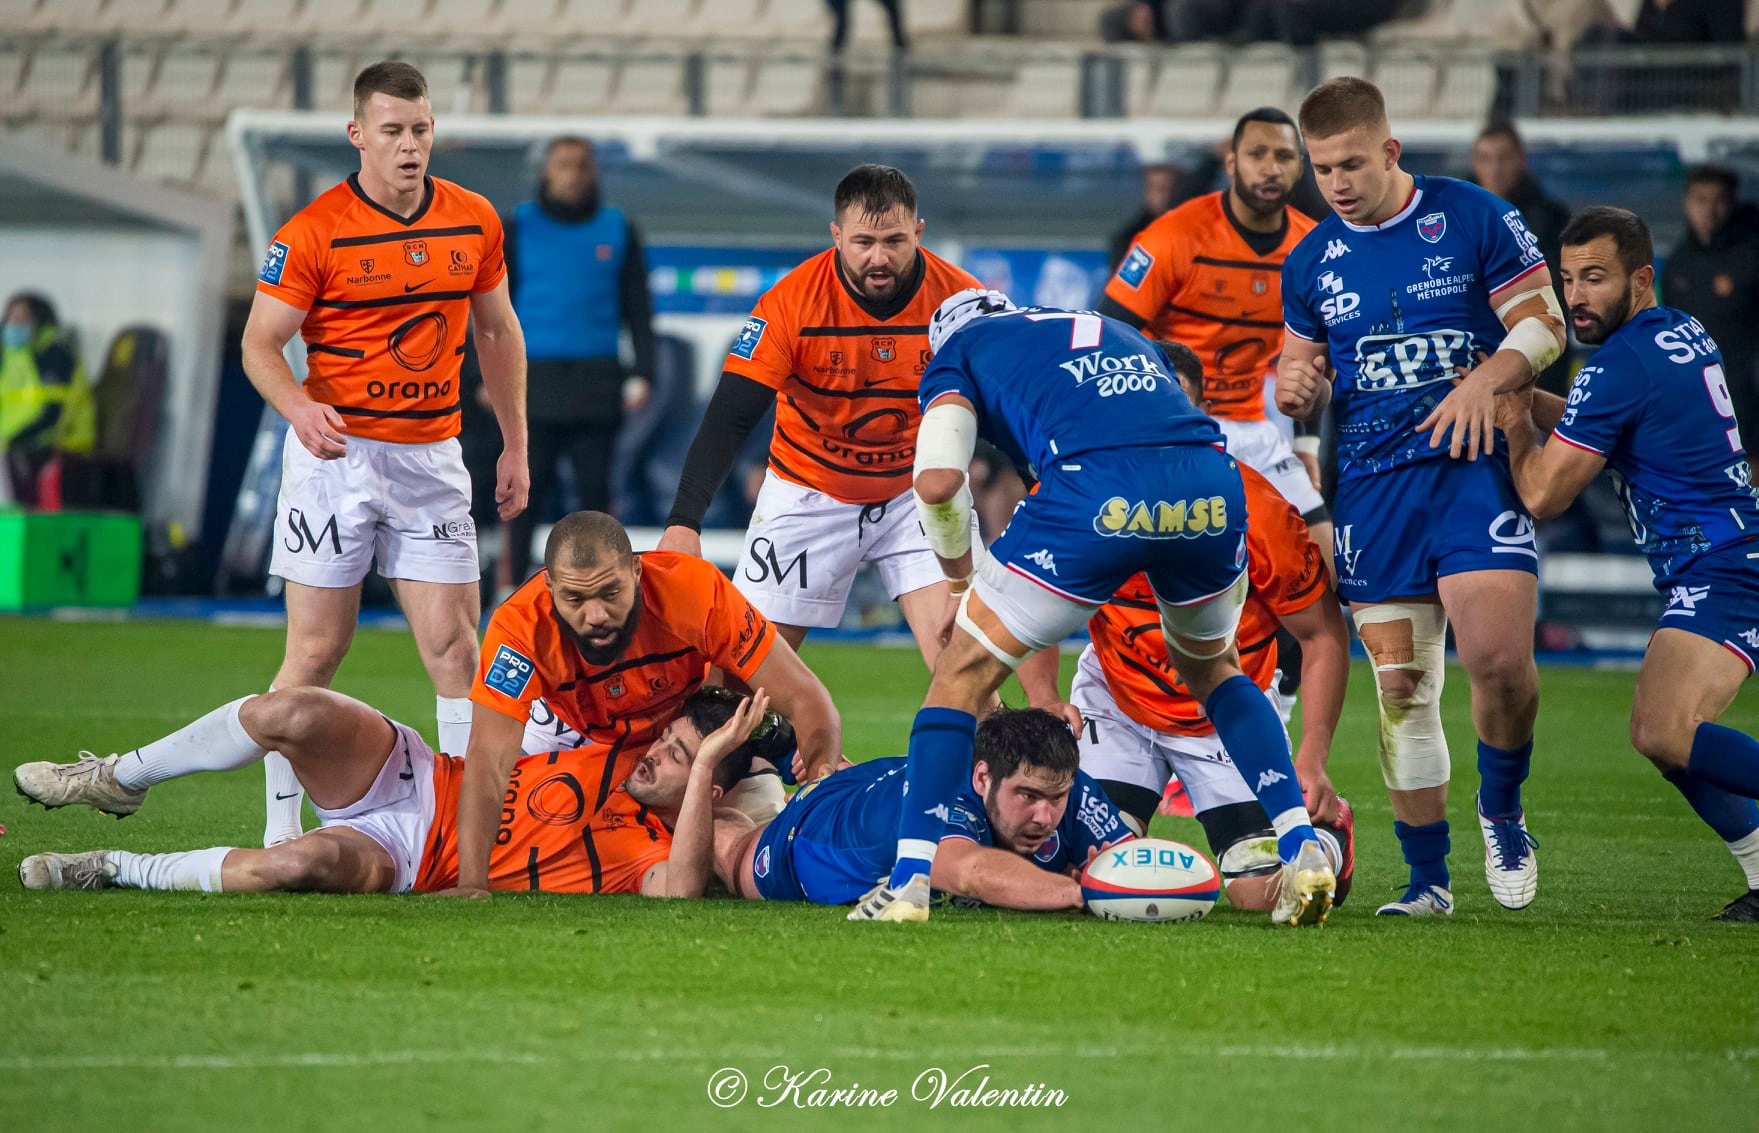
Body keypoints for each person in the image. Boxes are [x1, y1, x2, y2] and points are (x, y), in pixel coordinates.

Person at [856, 291, 1336, 926]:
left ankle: (910, 881)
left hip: (1100, 492)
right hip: (1210, 484)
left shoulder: (958, 353)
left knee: (959, 676)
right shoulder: (1109, 330)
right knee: (1217, 671)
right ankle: (1301, 843)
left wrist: (958, 587)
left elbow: (940, 483)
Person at [1276, 77, 1566, 916]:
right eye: (1320, 168)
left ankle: (1502, 808)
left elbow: (1544, 322)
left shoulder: (1471, 214)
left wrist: (1488, 381)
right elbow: (1302, 375)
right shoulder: (1311, 260)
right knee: (1401, 689)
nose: (1334, 184)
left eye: (1351, 165)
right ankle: (1427, 881)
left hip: (1472, 473)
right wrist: (1296, 387)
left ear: (1390, 151)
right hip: (1371, 488)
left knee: (1500, 663)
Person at [241, 61, 529, 849]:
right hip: (337, 463)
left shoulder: (473, 219)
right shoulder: (312, 231)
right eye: (394, 131)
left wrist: (514, 442)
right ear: (357, 134)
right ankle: (278, 828)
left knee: (454, 650)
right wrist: (298, 404)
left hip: (433, 458)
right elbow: (260, 342)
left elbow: (498, 332)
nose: (409, 147)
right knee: (315, 649)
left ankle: (471, 834)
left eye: (421, 130)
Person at [1019, 340, 1357, 914]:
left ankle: (1329, 839)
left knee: (1257, 894)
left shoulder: (1260, 507)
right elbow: (1030, 606)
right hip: (1117, 702)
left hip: (1224, 719)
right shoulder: (1071, 490)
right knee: (1079, 868)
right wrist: (1044, 698)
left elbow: (1322, 635)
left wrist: (1313, 758)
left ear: (1200, 418)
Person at [1496, 206, 1759, 923]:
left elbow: (1543, 492)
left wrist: (1514, 422)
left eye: (1594, 279)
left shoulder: (1619, 363)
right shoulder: (1676, 332)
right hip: (1727, 553)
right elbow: (1595, 415)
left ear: (1639, 278)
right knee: (1668, 738)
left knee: (1663, 732)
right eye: (1566, 279)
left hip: (1722, 564)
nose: (1574, 296)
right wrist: (1525, 397)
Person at [16, 686, 778, 899]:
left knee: (292, 868)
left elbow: (681, 892)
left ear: (709, 783)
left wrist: (716, 762)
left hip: (409, 857)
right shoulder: (620, 742)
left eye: (679, 757)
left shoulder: (648, 853)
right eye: (667, 737)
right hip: (414, 771)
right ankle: (117, 779)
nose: (653, 755)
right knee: (289, 711)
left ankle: (112, 866)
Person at [658, 166, 980, 668]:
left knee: (965, 663)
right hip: (809, 492)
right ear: (835, 236)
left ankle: (984, 748)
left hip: (915, 494)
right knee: (743, 677)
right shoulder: (790, 304)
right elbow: (729, 419)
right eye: (863, 242)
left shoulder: (960, 303)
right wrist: (684, 523)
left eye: (895, 240)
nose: (880, 257)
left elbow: (1014, 402)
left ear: (918, 232)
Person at [443, 510, 843, 898]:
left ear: (636, 570)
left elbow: (805, 696)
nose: (596, 615)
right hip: (568, 735)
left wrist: (821, 774)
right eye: (575, 599)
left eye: (610, 593)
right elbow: (488, 761)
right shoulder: (519, 629)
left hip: (669, 744)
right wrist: (472, 883)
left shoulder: (694, 590)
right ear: (548, 587)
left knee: (750, 828)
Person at [1098, 108, 1330, 558]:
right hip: (1175, 427)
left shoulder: (1313, 249)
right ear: (1231, 164)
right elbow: (1106, 337)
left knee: (1324, 561)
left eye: (1283, 156)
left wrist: (1306, 444)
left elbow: (1312, 358)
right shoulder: (1173, 236)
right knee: (1195, 571)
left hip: (1254, 427)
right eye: (1256, 154)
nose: (1269, 168)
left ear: (1299, 168)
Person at [721, 708, 1132, 912]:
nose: (1045, 816)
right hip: (804, 836)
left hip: (872, 784)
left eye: (1056, 799)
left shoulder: (1064, 784)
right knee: (725, 856)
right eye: (1027, 797)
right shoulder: (945, 798)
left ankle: (777, 756)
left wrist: (1117, 873)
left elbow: (1135, 862)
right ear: (982, 778)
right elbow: (968, 871)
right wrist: (1083, 892)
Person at [503, 136, 657, 584]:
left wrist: (643, 371)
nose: (573, 173)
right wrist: (482, 376)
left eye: (582, 165)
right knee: (524, 492)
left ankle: (602, 581)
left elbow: (639, 307)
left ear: (594, 172)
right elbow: (492, 310)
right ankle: (511, 588)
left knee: (595, 494)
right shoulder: (518, 225)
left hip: (597, 380)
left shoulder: (618, 228)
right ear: (547, 171)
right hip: (533, 381)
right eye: (564, 164)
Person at [1470, 120, 1573, 394]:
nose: (1494, 168)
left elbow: (1557, 294)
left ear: (1520, 160)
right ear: (1474, 162)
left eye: (1503, 158)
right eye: (1485, 158)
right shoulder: (1455, 218)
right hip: (1476, 361)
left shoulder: (1551, 218)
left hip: (1539, 362)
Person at [1662, 166, 1759, 453]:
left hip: (1749, 394)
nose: (1709, 210)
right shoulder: (1679, 264)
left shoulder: (1752, 253)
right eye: (1701, 200)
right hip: (1700, 395)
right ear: (1687, 203)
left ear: (1732, 203)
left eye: (1718, 200)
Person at [0, 292, 92, 507]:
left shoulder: (56, 357)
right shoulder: (13, 357)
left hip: (57, 442)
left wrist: (13, 440)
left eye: (21, 318)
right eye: (10, 318)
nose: (13, 325)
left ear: (40, 321)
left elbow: (52, 413)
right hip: (15, 445)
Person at [1106, 163, 1184, 271]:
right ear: (1146, 192)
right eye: (1158, 188)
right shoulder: (1127, 239)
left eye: (1170, 189)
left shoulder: (1196, 236)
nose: (1166, 196)